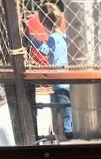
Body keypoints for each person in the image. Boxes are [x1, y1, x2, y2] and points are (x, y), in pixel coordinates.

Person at [26, 3, 72, 138]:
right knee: (69, 114)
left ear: (43, 23)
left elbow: (45, 50)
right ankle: (68, 135)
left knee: (66, 117)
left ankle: (69, 138)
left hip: (60, 83)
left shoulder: (53, 38)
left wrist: (32, 39)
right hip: (69, 82)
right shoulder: (64, 36)